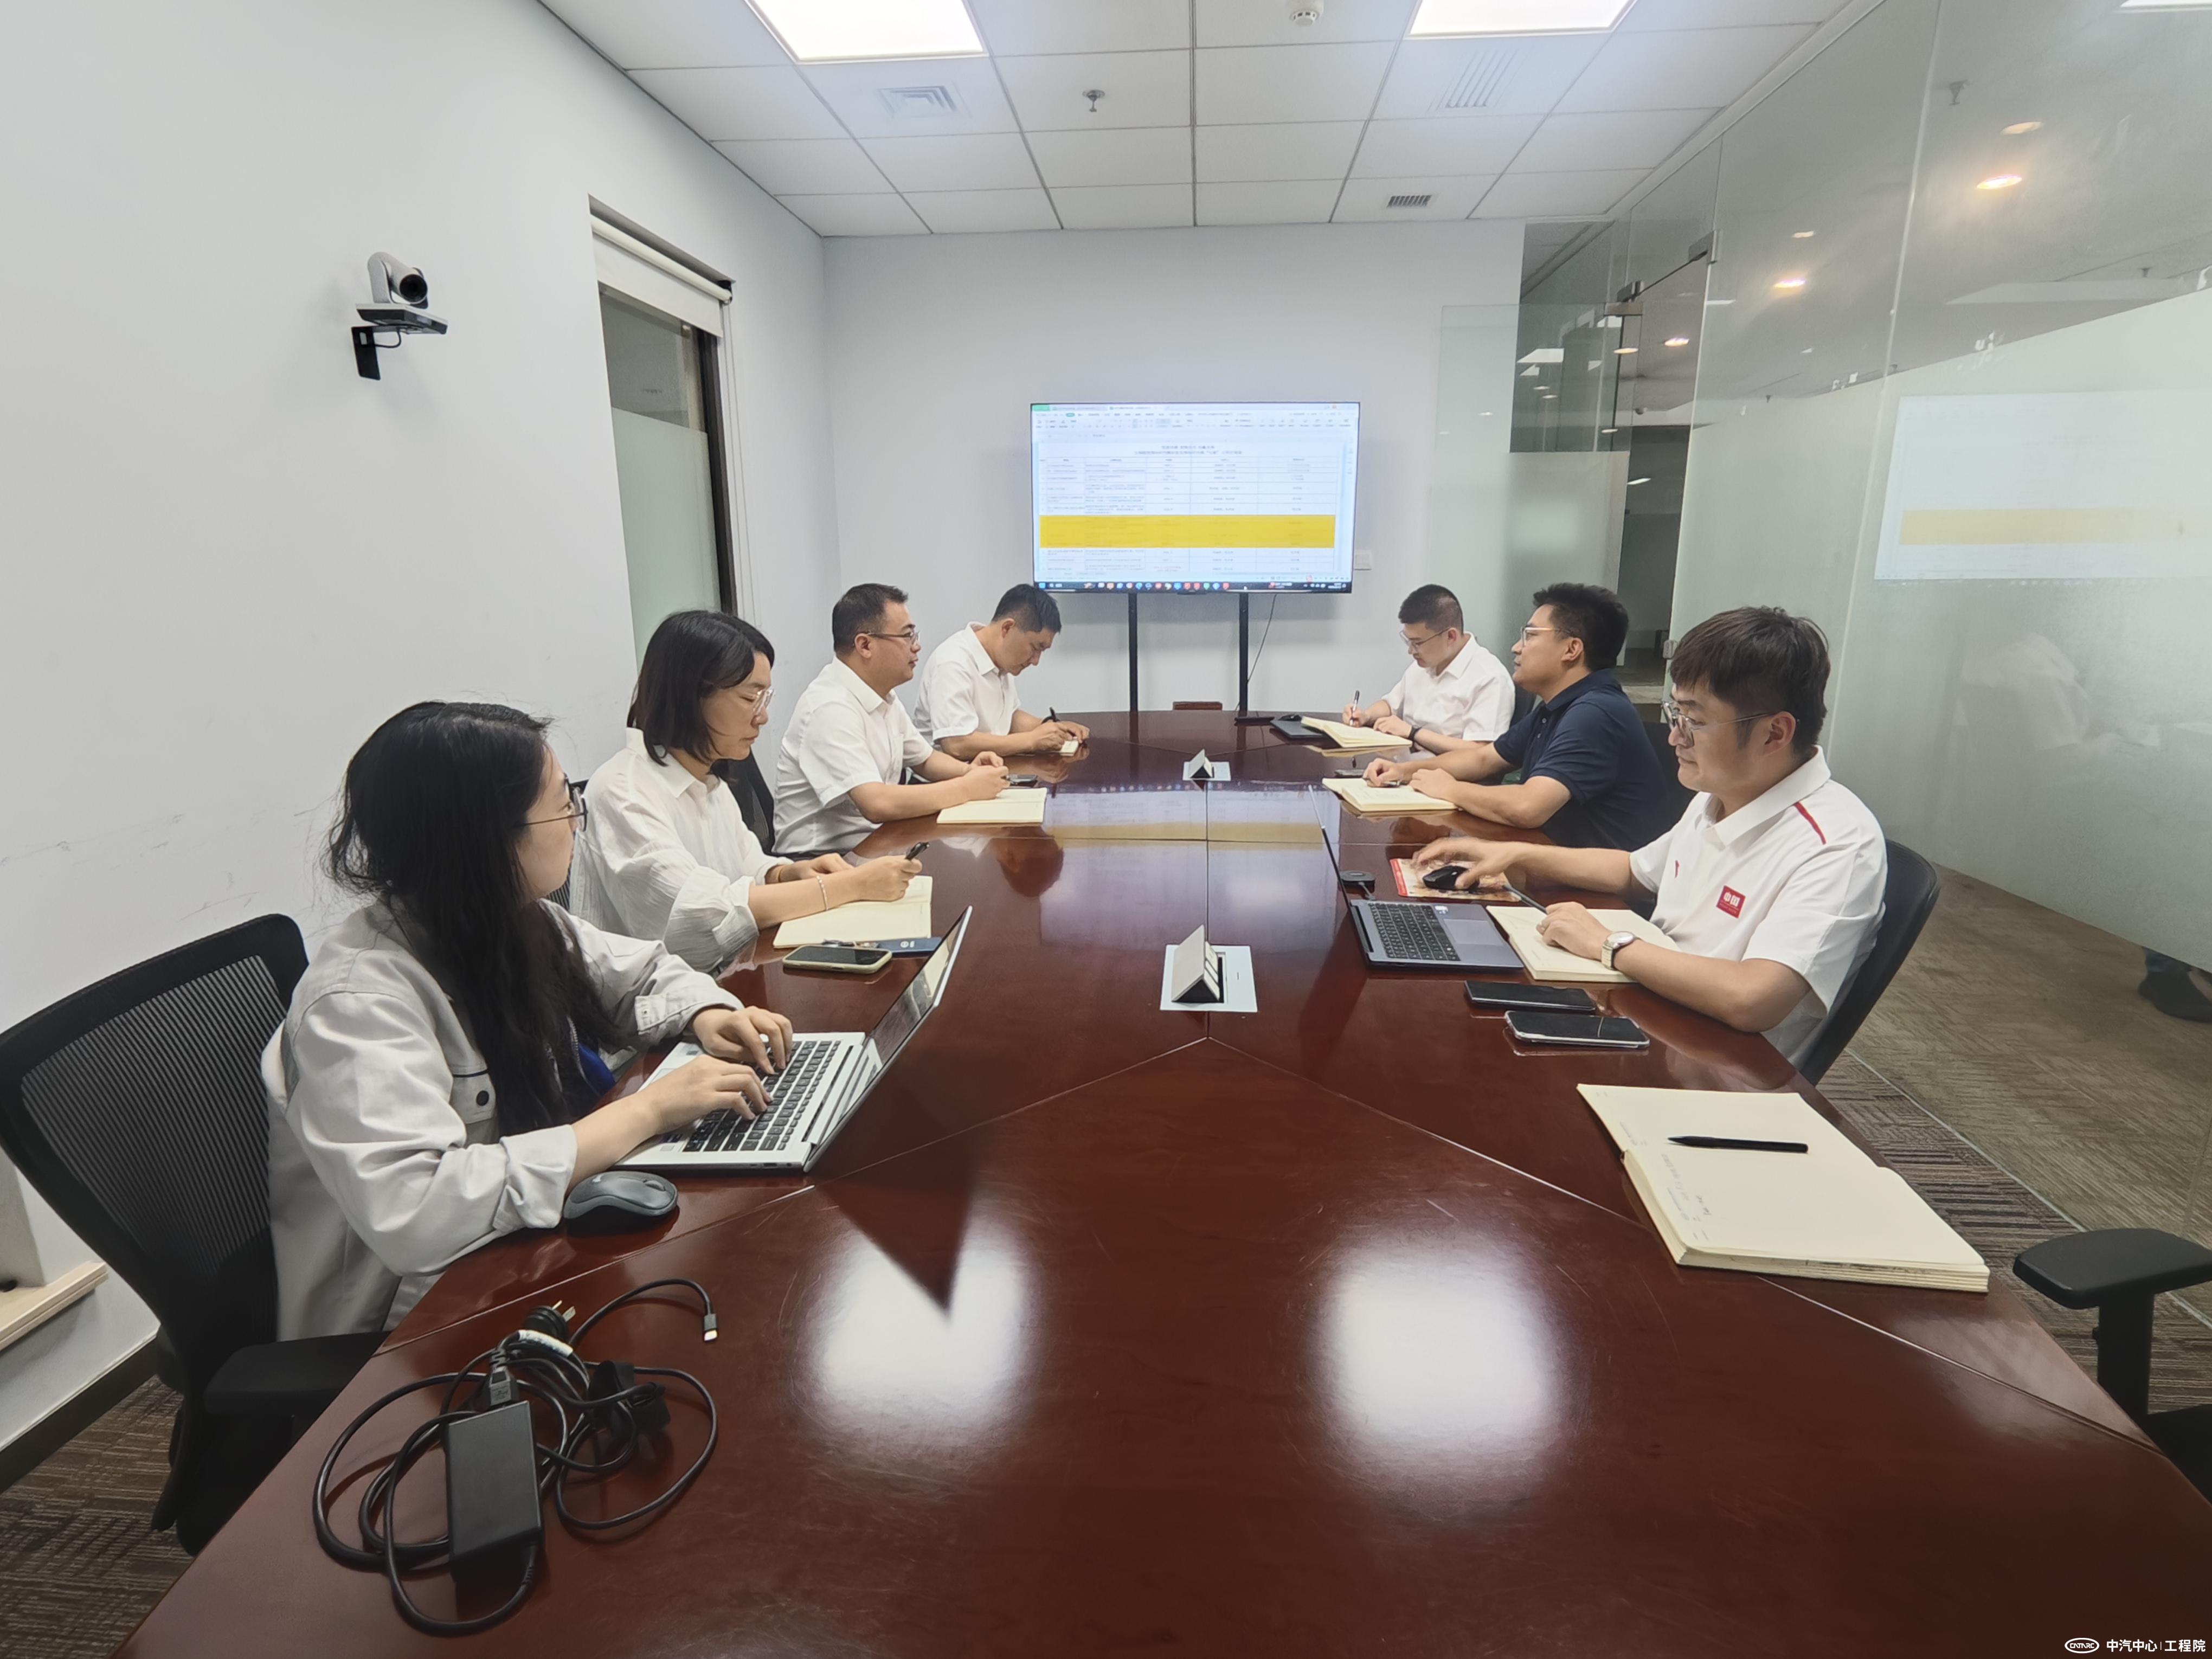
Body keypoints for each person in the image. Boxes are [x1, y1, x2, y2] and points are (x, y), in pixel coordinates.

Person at [263, 702, 794, 1339]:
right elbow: (419, 1210)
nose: (576, 822)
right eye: (563, 804)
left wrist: (706, 1012)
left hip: (524, 1252)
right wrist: (647, 1111)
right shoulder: (356, 1001)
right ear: (485, 839)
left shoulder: (517, 918)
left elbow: (642, 972)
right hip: (409, 1330)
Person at [1413, 607, 1886, 1068]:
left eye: (1695, 721)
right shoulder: (1720, 795)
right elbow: (1635, 870)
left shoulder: (1837, 843)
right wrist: (1512, 853)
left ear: (1774, 734)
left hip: (1716, 1066)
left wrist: (1610, 944)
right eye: (1675, 714)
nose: (1675, 738)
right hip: (1649, 1010)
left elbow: (1752, 999)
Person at [569, 610, 922, 972]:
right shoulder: (623, 791)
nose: (762, 717)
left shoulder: (707, 780)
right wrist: (853, 886)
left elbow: (748, 868)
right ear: (691, 695)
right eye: (750, 698)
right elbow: (706, 914)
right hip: (652, 998)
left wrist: (788, 874)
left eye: (765, 699)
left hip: (719, 978)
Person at [1365, 582, 1669, 849]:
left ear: (1572, 649)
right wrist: (1404, 772)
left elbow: (1527, 807)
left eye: (1530, 636)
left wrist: (1450, 789)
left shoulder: (1596, 713)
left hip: (1597, 887)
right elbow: (1483, 759)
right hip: (1550, 855)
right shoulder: (1556, 707)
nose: (1516, 648)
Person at [773, 582, 1009, 854]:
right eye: (907, 636)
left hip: (876, 843)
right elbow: (876, 804)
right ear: (865, 645)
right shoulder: (829, 707)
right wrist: (967, 788)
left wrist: (971, 771)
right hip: (821, 859)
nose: (917, 646)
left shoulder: (883, 696)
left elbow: (925, 760)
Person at [915, 584, 1090, 758]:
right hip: (951, 774)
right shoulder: (953, 662)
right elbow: (957, 744)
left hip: (989, 768)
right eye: (1035, 648)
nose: (1036, 661)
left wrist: (1051, 728)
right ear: (1007, 628)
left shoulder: (1000, 661)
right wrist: (1032, 740)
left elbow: (1009, 719)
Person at [1339, 583, 1514, 753]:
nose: (1411, 651)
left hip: (1443, 770)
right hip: (1402, 762)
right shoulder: (1424, 664)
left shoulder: (1489, 678)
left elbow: (1481, 752)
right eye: (1408, 641)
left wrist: (1413, 733)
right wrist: (1366, 716)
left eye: (1418, 643)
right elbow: (1390, 705)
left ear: (1450, 636)